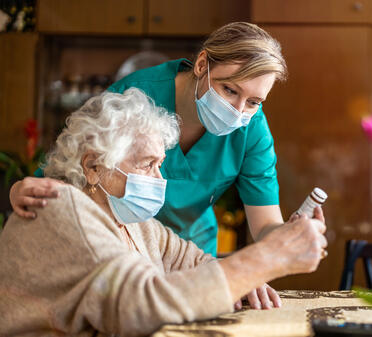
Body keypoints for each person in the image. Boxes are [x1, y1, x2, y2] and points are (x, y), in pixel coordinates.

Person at [0, 89, 328, 336]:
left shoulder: (136, 223)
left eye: (160, 164)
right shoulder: (63, 209)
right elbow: (141, 306)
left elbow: (195, 262)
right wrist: (266, 259)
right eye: (146, 164)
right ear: (93, 166)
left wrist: (245, 279)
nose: (159, 179)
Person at [8, 22, 323, 259]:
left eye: (254, 101)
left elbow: (265, 224)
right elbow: (67, 173)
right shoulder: (135, 97)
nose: (237, 111)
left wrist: (289, 234)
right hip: (121, 246)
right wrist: (21, 189)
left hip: (191, 252)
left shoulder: (252, 130)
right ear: (202, 65)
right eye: (230, 90)